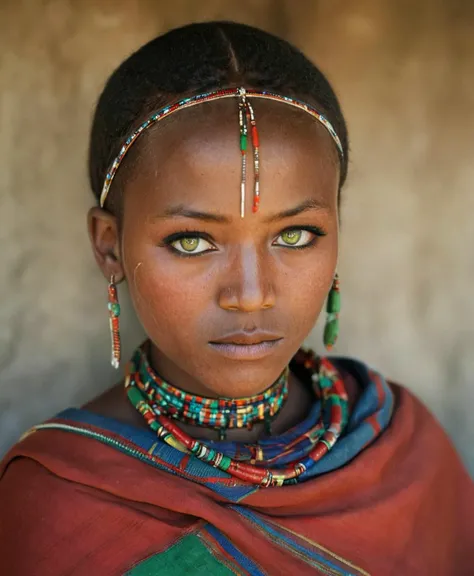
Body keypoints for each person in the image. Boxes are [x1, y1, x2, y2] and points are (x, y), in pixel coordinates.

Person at [0, 21, 472, 576]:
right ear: (110, 248)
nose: (251, 295)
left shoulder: (403, 451)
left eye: (294, 235)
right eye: (192, 241)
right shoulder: (55, 503)